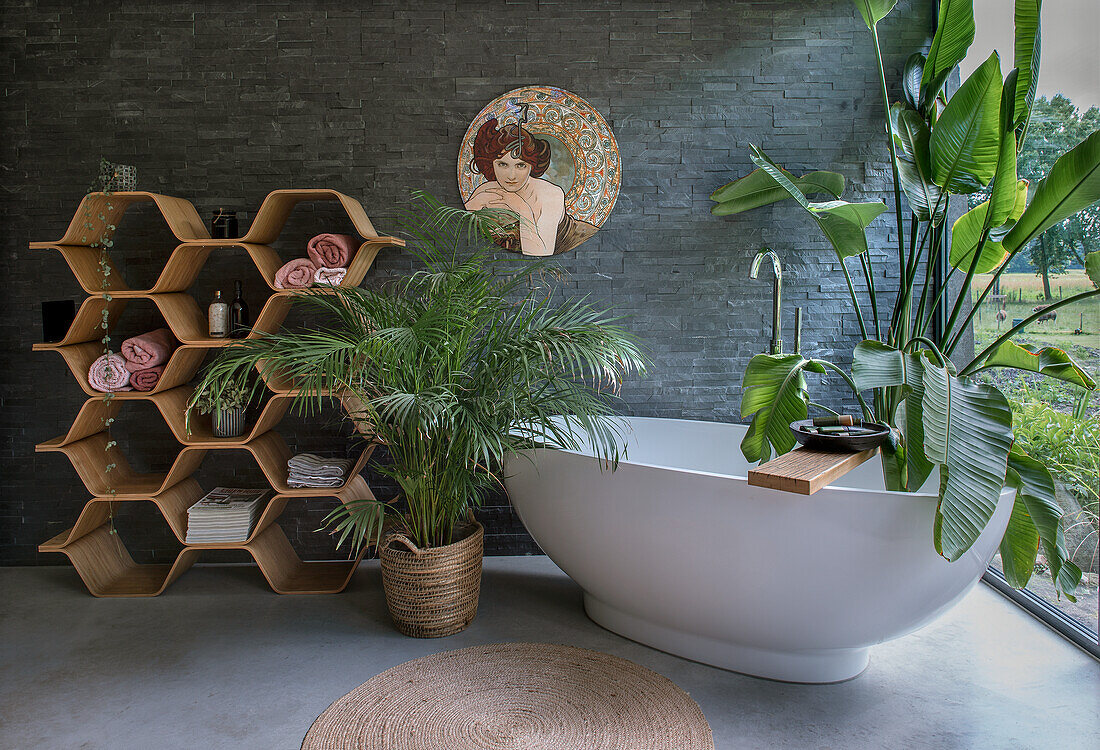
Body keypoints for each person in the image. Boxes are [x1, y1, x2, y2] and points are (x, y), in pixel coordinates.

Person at [465, 117, 596, 256]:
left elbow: (539, 254)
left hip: (583, 248)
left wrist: (522, 209)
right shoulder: (486, 191)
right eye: (502, 164)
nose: (511, 175)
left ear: (531, 166)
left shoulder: (550, 195)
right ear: (491, 164)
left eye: (521, 165)